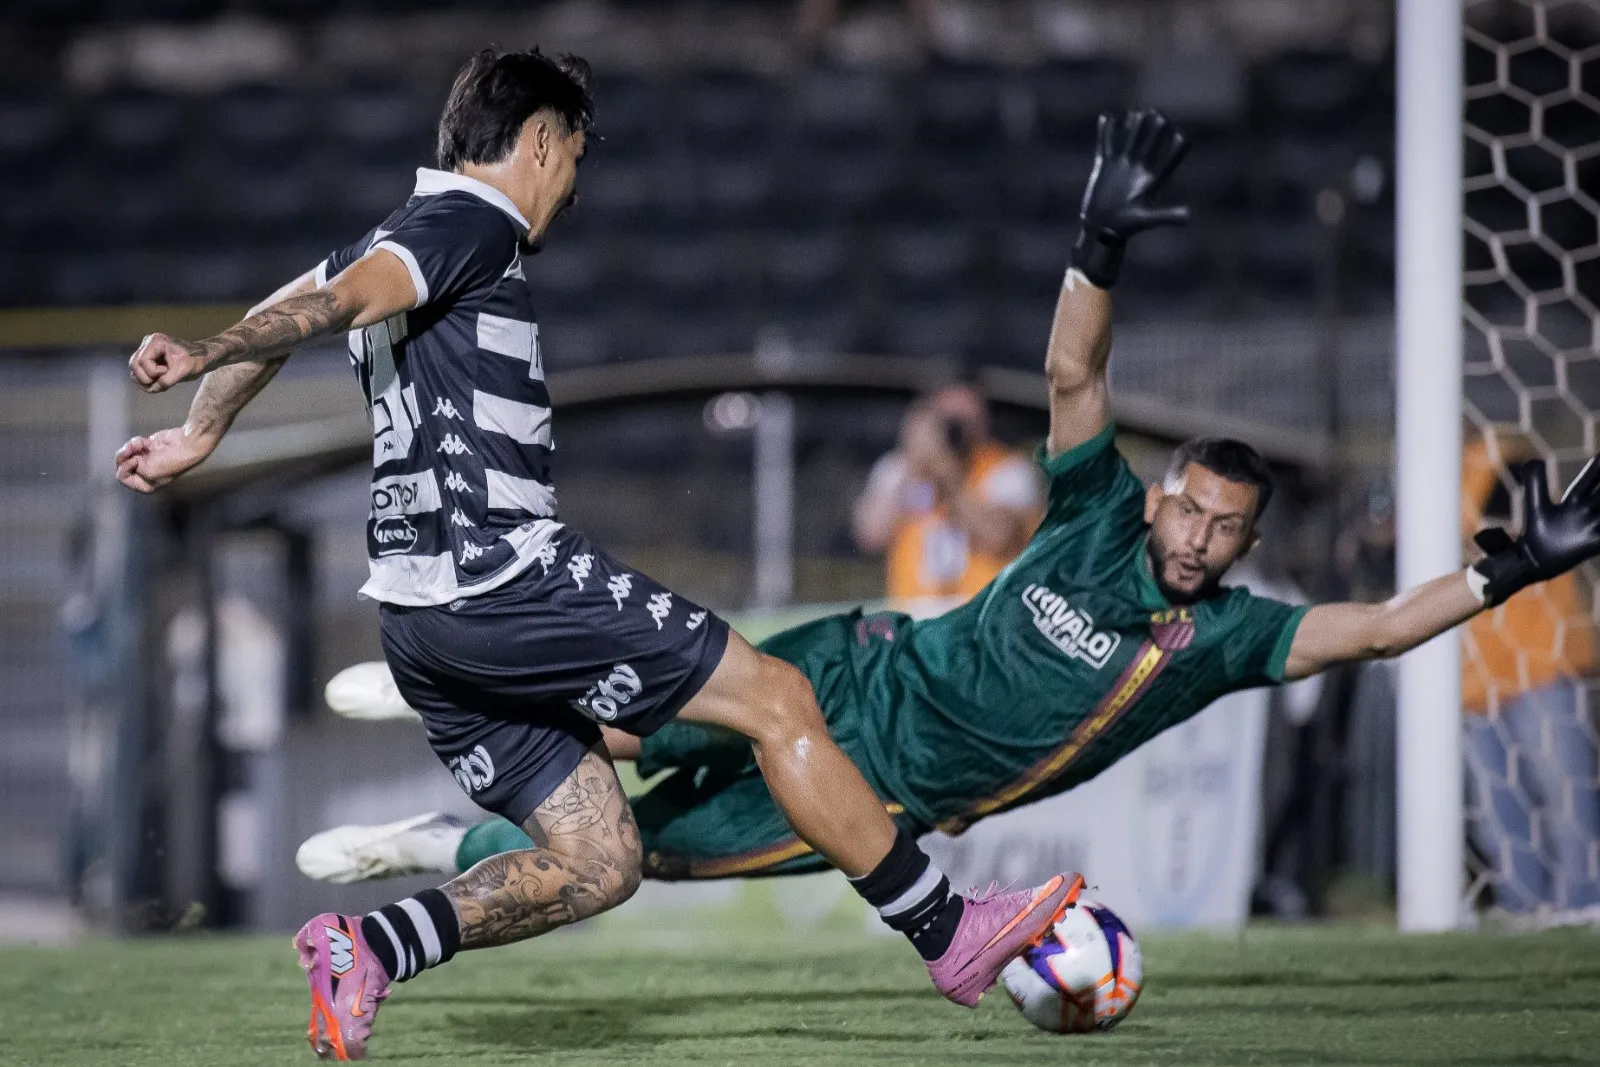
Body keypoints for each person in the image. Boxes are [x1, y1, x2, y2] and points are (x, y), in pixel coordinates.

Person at [299, 112, 1600, 931]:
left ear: (1246, 547)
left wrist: (1511, 570)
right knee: (627, 724)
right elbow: (1073, 378)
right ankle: (443, 687)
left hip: (890, 784)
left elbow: (1372, 626)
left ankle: (419, 842)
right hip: (853, 658)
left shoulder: (1221, 639)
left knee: (639, 852)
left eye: (1223, 528)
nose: (1199, 536)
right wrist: (1096, 245)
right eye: (1192, 505)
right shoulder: (1097, 508)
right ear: (1162, 493)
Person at [112, 48, 1081, 1061]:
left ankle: (367, 945)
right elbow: (335, 308)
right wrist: (209, 354)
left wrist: (203, 429)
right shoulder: (465, 224)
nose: (572, 186)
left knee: (599, 859)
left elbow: (292, 311)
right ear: (538, 140)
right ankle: (948, 930)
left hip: (420, 621)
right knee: (779, 699)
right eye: (572, 157)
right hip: (503, 577)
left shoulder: (388, 232)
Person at [1460, 435, 1600, 913]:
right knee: (1500, 819)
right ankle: (1524, 912)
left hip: (1540, 666)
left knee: (1566, 803)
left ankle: (1584, 907)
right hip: (1476, 681)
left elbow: (1512, 518)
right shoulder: (1428, 481)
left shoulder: (1502, 453)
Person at [852, 384, 1042, 604]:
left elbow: (1000, 537)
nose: (958, 433)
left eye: (967, 423)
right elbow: (869, 534)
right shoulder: (902, 467)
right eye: (948, 422)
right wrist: (912, 461)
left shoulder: (1007, 469)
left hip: (979, 613)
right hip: (914, 616)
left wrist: (951, 478)